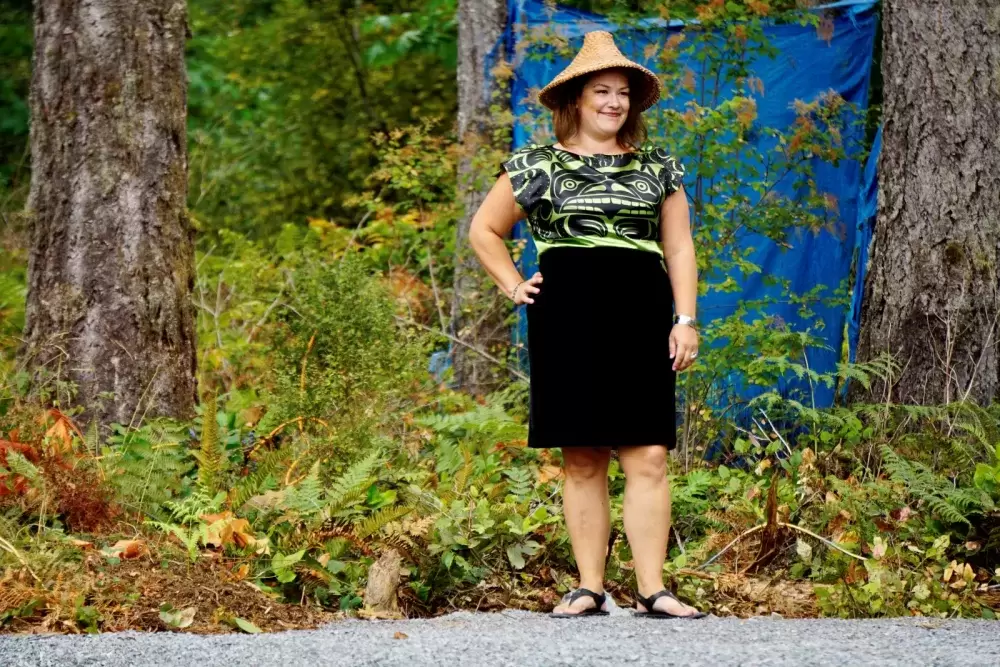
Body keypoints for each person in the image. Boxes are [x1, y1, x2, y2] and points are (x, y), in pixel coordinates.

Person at [468, 30, 706, 619]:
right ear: (575, 99)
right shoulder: (538, 165)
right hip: (567, 318)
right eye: (602, 90)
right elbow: (484, 230)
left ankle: (653, 589)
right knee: (581, 456)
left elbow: (679, 250)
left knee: (648, 453)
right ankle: (589, 586)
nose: (614, 102)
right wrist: (512, 283)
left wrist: (686, 320)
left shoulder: (658, 167)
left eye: (623, 93)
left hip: (643, 315)